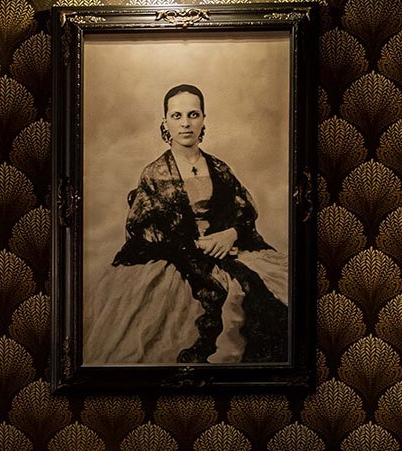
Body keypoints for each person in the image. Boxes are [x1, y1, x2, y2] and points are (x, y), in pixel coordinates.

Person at [83, 83, 289, 365]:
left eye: (193, 114)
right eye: (177, 116)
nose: (185, 123)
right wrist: (197, 245)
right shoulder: (154, 174)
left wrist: (230, 235)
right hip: (176, 260)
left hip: (227, 251)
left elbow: (244, 210)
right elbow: (143, 230)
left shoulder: (219, 168)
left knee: (278, 297)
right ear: (165, 122)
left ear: (203, 119)